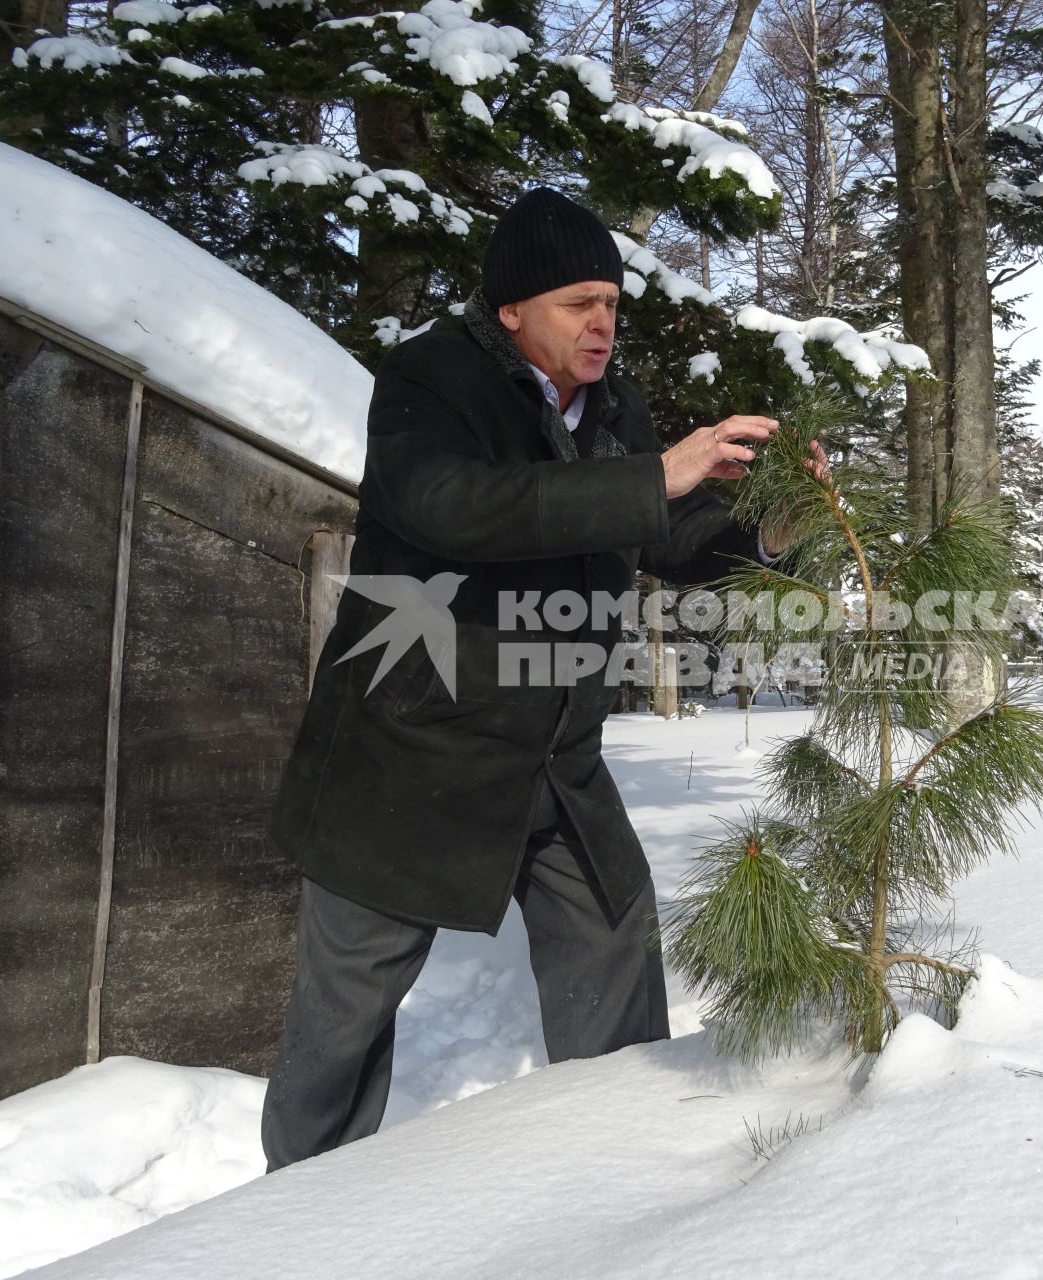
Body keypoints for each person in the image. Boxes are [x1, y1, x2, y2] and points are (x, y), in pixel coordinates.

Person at [261, 186, 826, 1171]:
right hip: (406, 758)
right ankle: (297, 1210)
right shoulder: (428, 380)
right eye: (579, 302)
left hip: (555, 758)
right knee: (341, 1024)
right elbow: (451, 505)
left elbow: (669, 530)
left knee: (614, 941)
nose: (603, 321)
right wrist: (656, 476)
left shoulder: (615, 407)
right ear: (512, 308)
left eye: (611, 301)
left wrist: (768, 530)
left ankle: (618, 1177)